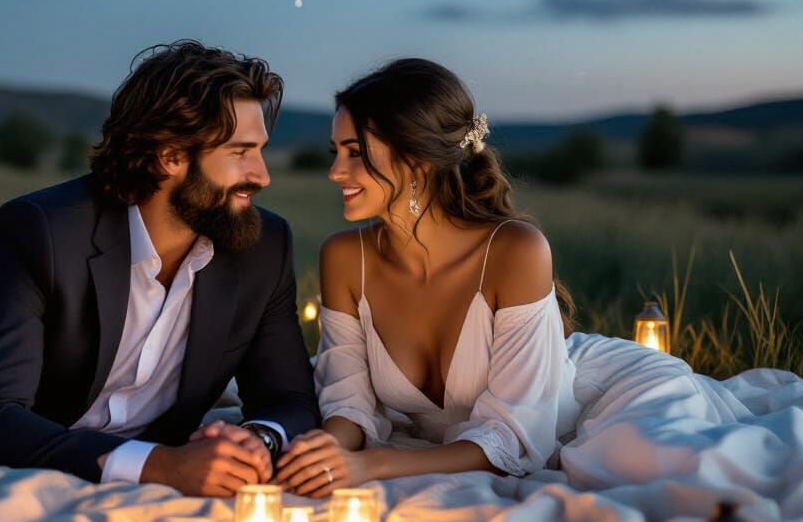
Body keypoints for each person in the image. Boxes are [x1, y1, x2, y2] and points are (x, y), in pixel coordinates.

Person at [0, 41, 320, 495]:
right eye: (241, 152)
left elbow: (289, 398)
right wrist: (160, 466)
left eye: (262, 151)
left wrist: (260, 439)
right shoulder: (42, 229)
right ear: (169, 157)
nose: (262, 174)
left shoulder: (262, 246)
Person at [273, 58, 770, 496]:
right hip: (456, 439)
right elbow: (348, 403)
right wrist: (323, 452)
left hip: (591, 397)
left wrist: (372, 465)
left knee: (664, 475)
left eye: (355, 152)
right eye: (336, 150)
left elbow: (512, 436)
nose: (336, 171)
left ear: (417, 160)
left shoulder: (515, 251)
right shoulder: (344, 257)